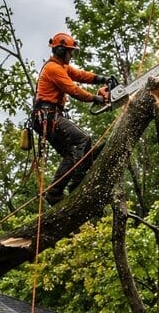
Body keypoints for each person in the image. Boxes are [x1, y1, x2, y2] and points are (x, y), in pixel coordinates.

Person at [32, 32, 113, 205]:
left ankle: (55, 192)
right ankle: (76, 183)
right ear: (61, 51)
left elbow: (81, 75)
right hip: (47, 116)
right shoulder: (53, 69)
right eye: (70, 52)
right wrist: (95, 98)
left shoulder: (62, 67)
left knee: (71, 154)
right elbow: (73, 90)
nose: (71, 55)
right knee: (83, 139)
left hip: (49, 117)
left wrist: (103, 79)